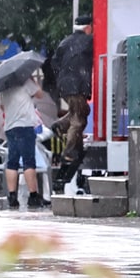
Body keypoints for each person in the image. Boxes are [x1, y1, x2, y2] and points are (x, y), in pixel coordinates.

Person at [51, 15, 93, 185]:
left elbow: (55, 63)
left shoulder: (65, 42)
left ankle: (60, 125)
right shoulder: (88, 41)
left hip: (65, 85)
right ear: (88, 27)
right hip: (78, 85)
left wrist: (63, 79)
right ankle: (68, 153)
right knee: (78, 119)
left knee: (82, 111)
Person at [0, 74, 48, 210]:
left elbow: (2, 107)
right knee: (28, 161)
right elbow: (40, 94)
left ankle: (12, 197)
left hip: (10, 127)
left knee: (12, 161)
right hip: (25, 126)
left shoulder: (5, 86)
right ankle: (33, 196)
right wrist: (35, 81)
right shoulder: (26, 81)